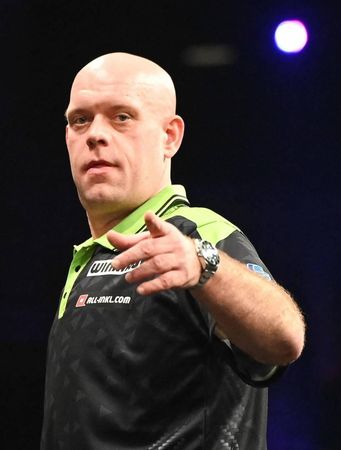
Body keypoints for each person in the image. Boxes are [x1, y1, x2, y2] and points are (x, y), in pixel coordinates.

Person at [41, 52, 305, 449]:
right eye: (80, 119)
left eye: (121, 117)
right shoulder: (90, 256)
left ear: (170, 137)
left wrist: (204, 264)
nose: (95, 134)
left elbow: (286, 337)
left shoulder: (195, 233)